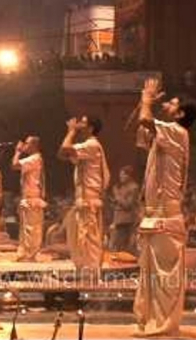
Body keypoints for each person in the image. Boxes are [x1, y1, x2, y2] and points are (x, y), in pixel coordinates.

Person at [132, 77, 196, 337]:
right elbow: (140, 132)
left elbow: (145, 120)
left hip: (165, 215)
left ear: (180, 113)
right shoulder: (167, 134)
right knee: (152, 277)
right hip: (156, 214)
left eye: (172, 102)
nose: (167, 103)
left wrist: (147, 99)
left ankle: (164, 326)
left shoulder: (177, 132)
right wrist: (143, 102)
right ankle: (151, 322)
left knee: (165, 279)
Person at [58, 115, 110, 280]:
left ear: (91, 128)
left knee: (89, 239)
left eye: (83, 122)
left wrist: (71, 131)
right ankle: (85, 273)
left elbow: (66, 148)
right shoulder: (86, 146)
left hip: (89, 199)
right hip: (83, 199)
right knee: (80, 239)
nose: (79, 124)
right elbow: (61, 153)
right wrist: (71, 133)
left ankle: (91, 275)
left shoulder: (92, 145)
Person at [12, 136, 47, 261]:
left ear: (33, 145)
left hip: (32, 198)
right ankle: (26, 254)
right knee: (27, 229)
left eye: (26, 143)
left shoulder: (34, 158)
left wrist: (18, 151)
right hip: (29, 197)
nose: (24, 145)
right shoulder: (35, 158)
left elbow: (15, 165)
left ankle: (30, 256)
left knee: (31, 229)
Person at [108, 165, 140, 254]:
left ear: (128, 176)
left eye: (123, 175)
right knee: (115, 246)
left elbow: (128, 205)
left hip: (126, 221)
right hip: (118, 220)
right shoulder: (121, 187)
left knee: (122, 247)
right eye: (120, 175)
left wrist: (117, 196)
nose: (120, 177)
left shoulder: (134, 187)